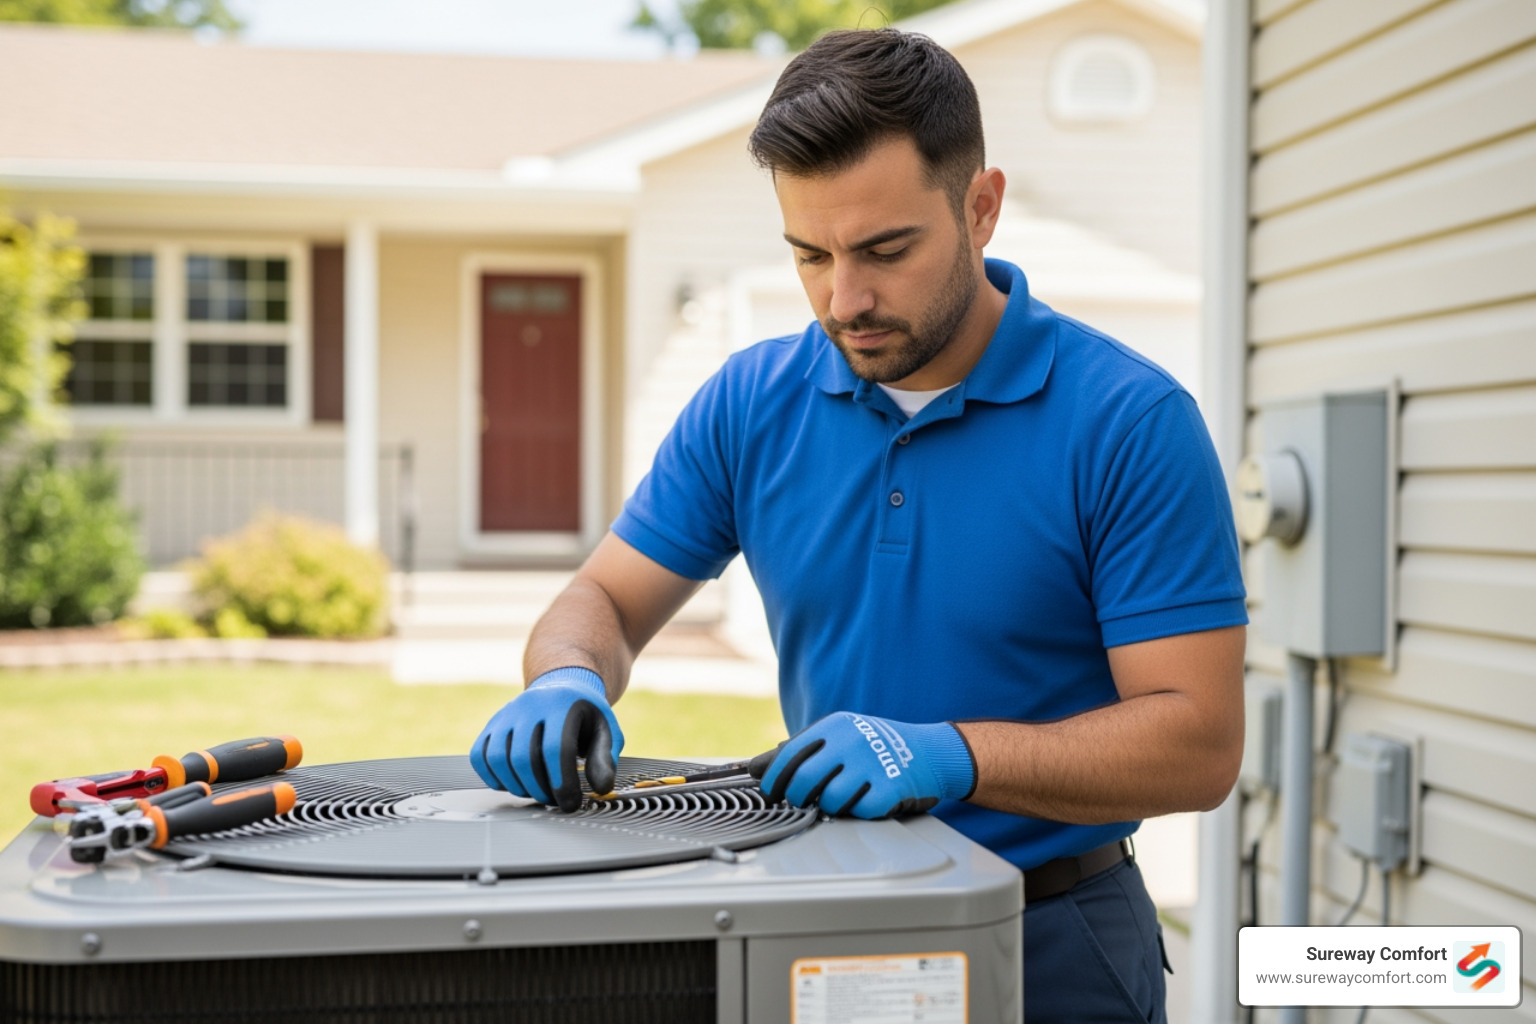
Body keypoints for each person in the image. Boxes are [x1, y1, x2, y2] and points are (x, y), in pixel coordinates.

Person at [470, 27, 1246, 1023]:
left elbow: (1198, 742)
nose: (845, 298)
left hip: (1052, 940)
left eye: (885, 250)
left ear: (982, 208)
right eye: (810, 255)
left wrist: (956, 752)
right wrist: (568, 672)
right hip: (825, 921)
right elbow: (606, 600)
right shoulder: (753, 402)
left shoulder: (1128, 423)